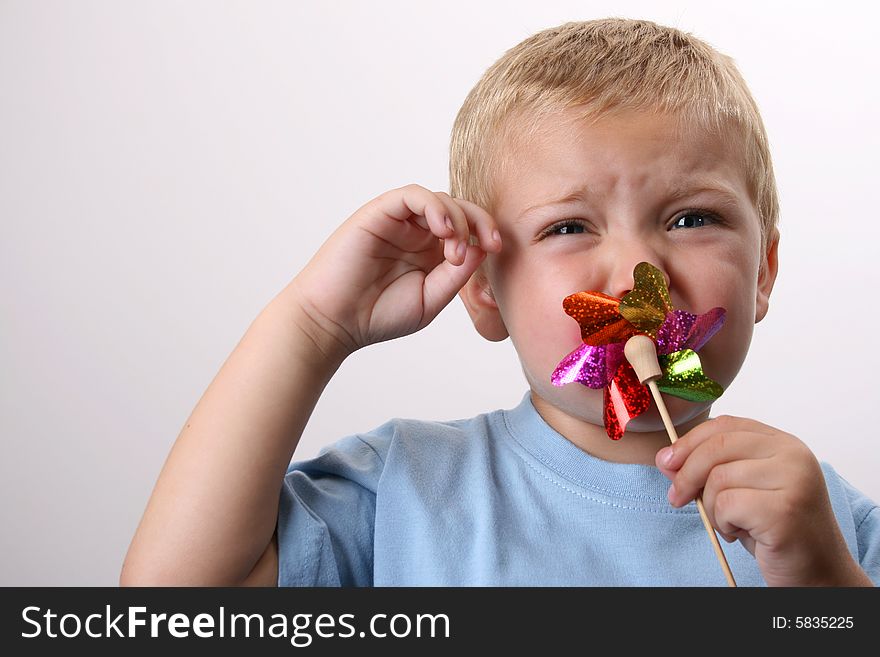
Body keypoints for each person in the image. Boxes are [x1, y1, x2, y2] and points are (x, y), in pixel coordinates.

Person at [120, 18, 878, 586]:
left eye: (691, 218)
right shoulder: (404, 490)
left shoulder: (825, 522)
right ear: (482, 288)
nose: (637, 275)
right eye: (569, 225)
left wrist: (825, 587)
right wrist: (312, 325)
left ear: (763, 272)